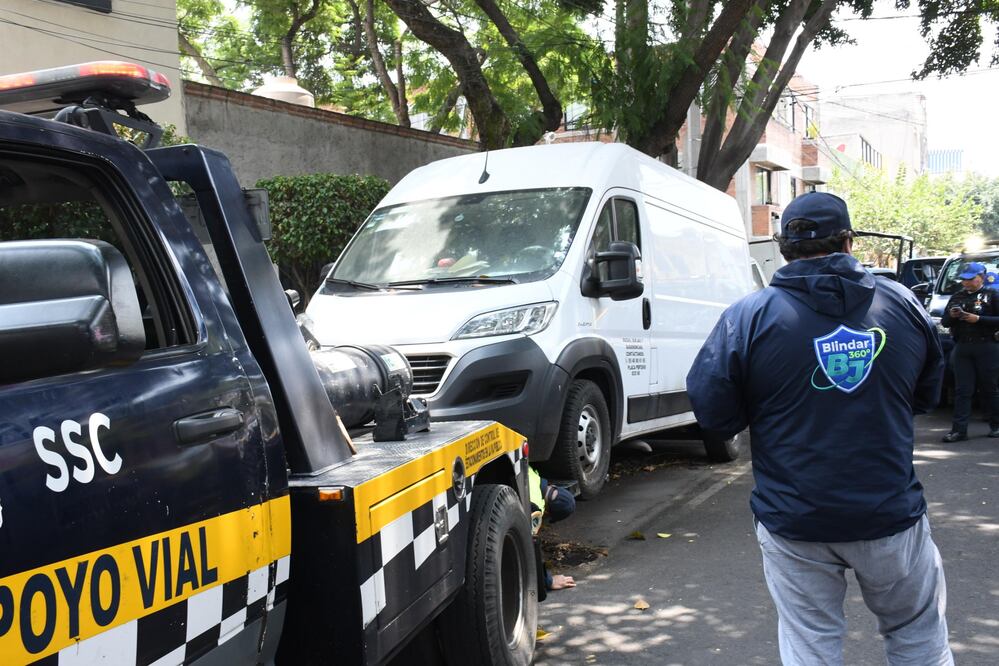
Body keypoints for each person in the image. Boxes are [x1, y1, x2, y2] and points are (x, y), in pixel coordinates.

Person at [686, 192, 951, 665]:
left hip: (795, 520)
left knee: (811, 647)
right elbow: (927, 396)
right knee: (918, 638)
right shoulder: (903, 305)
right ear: (849, 241)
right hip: (889, 514)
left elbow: (714, 415)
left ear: (783, 247)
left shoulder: (747, 317)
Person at [940, 261, 999, 441]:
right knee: (962, 390)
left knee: (989, 387)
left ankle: (996, 425)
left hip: (986, 345)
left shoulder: (992, 295)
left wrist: (979, 319)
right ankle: (959, 430)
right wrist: (953, 316)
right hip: (963, 346)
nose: (966, 283)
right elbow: (944, 322)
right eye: (963, 280)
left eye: (970, 279)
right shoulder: (957, 297)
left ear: (981, 278)